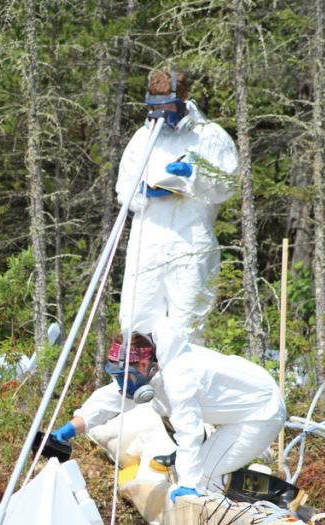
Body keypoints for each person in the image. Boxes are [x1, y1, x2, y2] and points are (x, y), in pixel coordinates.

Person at [49, 321, 285, 503]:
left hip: (259, 413)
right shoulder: (150, 368)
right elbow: (109, 399)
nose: (121, 384)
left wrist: (189, 483)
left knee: (204, 475)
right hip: (229, 411)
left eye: (122, 377)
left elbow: (188, 429)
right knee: (171, 424)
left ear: (142, 365)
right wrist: (72, 428)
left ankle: (280, 494)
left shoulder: (179, 377)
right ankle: (194, 467)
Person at [116, 68, 238, 340]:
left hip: (190, 238)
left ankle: (180, 381)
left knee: (186, 323)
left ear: (183, 99)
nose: (161, 114)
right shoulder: (143, 139)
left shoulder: (209, 136)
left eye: (167, 106)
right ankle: (137, 380)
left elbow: (228, 185)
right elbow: (123, 191)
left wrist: (193, 176)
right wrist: (144, 192)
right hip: (148, 239)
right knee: (136, 317)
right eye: (154, 107)